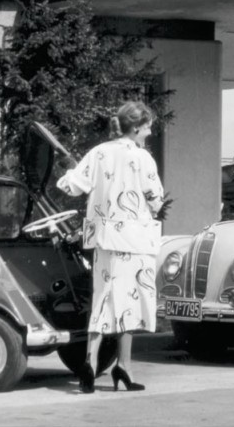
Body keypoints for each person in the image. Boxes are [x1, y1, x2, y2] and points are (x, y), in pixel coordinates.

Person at [56, 101, 166, 393]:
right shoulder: (143, 158)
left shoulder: (99, 152)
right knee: (131, 301)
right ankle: (124, 366)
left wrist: (70, 169)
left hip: (104, 238)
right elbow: (156, 201)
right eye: (148, 126)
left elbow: (71, 186)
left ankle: (90, 363)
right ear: (138, 127)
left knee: (103, 298)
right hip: (135, 240)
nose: (150, 131)